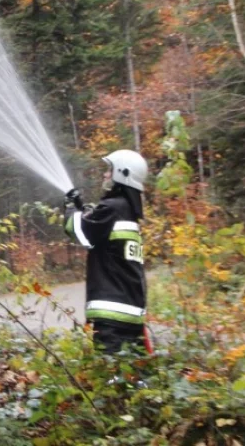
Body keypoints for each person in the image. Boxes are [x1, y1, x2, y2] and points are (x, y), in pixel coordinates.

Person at [64, 150, 149, 354]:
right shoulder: (127, 210)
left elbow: (78, 230)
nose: (105, 175)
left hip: (112, 316)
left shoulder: (113, 208)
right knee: (133, 378)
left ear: (122, 173)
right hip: (131, 314)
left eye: (109, 171)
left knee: (111, 378)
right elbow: (100, 234)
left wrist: (69, 208)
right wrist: (82, 209)